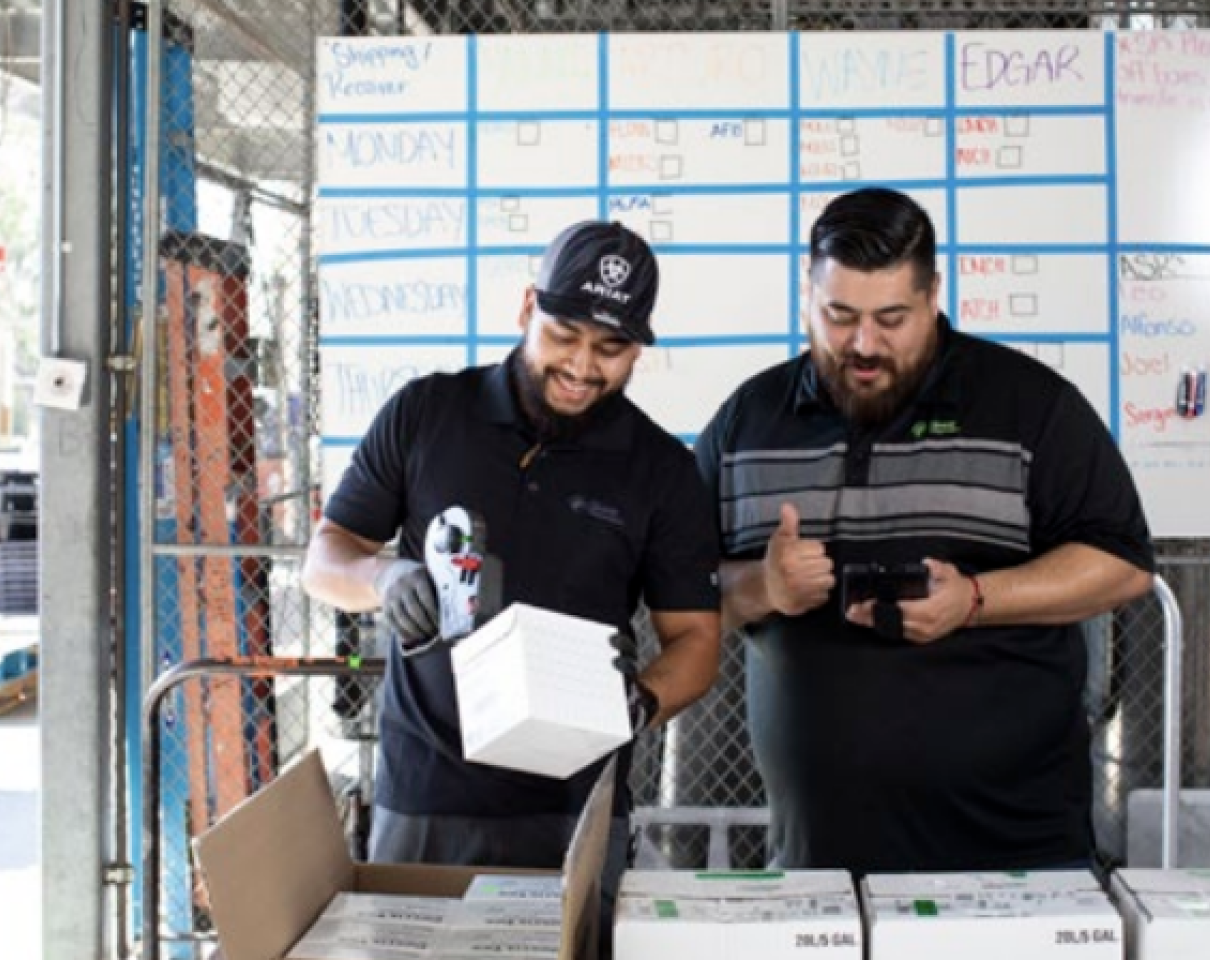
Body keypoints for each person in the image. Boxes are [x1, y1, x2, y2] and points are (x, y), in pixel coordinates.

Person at [694, 187, 1154, 875]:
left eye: (891, 318)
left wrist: (973, 599)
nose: (863, 344)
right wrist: (762, 585)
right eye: (839, 316)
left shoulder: (1030, 406)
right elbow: (684, 595)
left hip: (1015, 863)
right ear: (806, 296)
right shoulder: (746, 423)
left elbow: (1122, 563)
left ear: (934, 294)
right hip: (820, 867)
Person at [302, 220, 721, 914]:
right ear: (528, 308)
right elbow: (327, 555)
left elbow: (697, 643)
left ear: (639, 349)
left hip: (576, 803)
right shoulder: (427, 414)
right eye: (564, 335)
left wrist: (640, 703)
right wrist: (382, 579)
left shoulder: (663, 471)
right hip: (427, 793)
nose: (584, 367)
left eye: (611, 348)